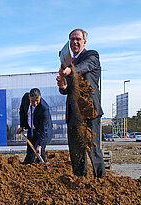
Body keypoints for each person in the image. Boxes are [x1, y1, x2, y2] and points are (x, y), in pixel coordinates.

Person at [56, 28, 105, 178]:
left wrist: (70, 70)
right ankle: (79, 181)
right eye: (72, 39)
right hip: (74, 114)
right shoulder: (68, 63)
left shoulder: (91, 56)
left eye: (78, 39)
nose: (75, 42)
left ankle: (100, 181)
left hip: (89, 111)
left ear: (84, 41)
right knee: (76, 151)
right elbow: (68, 89)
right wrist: (63, 86)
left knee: (93, 148)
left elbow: (85, 67)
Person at [17, 88, 53, 164]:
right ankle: (28, 166)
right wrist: (22, 126)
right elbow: (22, 112)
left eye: (37, 100)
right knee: (30, 150)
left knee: (39, 150)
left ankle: (41, 167)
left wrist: (40, 145)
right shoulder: (25, 99)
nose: (35, 103)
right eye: (33, 101)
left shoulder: (44, 109)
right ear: (29, 97)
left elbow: (44, 129)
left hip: (43, 131)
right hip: (32, 129)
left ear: (40, 97)